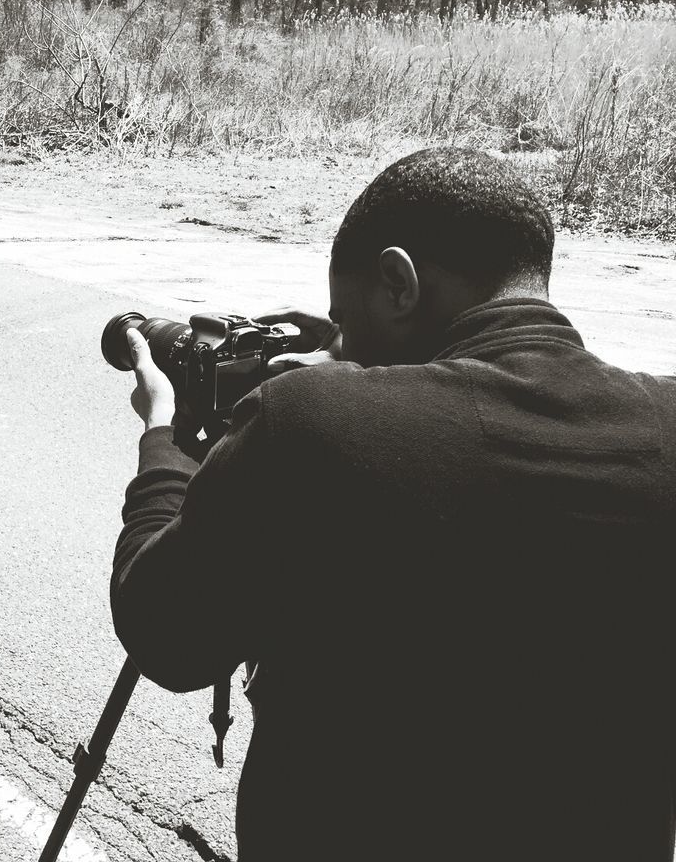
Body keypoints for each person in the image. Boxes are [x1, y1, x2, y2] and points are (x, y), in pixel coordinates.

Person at [112, 147, 676, 861]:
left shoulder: (308, 423)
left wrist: (162, 440)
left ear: (398, 282)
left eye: (344, 319)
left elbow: (166, 633)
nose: (343, 348)